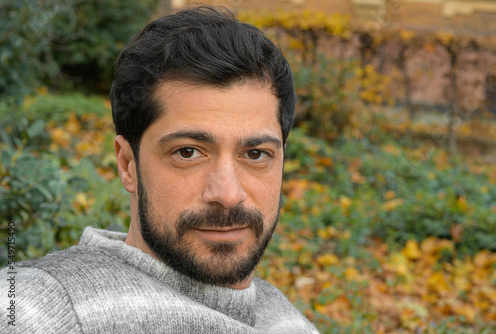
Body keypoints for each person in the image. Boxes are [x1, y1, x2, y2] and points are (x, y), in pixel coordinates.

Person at [0, 5, 319, 333]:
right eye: (188, 152)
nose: (227, 194)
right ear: (127, 165)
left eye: (255, 154)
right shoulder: (34, 309)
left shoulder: (291, 323)